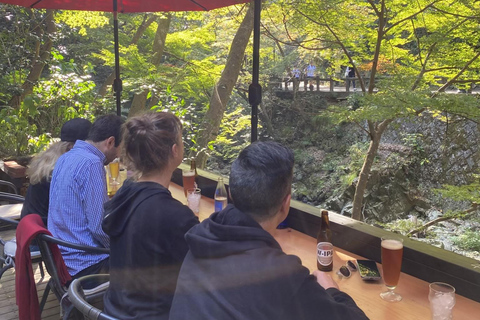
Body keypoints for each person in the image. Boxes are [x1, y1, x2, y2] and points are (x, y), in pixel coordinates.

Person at [169, 141, 368, 320]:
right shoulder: (281, 276)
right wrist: (333, 291)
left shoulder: (201, 236)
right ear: (286, 204)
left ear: (231, 194)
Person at [102, 112, 199, 320]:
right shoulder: (175, 216)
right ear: (175, 151)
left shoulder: (124, 196)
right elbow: (200, 277)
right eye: (181, 142)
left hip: (115, 310)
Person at [48, 114, 124, 279]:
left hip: (60, 258)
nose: (118, 156)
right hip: (86, 265)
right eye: (120, 148)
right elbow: (99, 227)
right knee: (145, 254)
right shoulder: (92, 164)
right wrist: (122, 245)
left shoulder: (65, 157)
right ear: (110, 142)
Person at [21, 118, 92, 226]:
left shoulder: (50, 158)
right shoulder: (63, 168)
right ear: (72, 147)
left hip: (31, 229)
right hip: (46, 236)